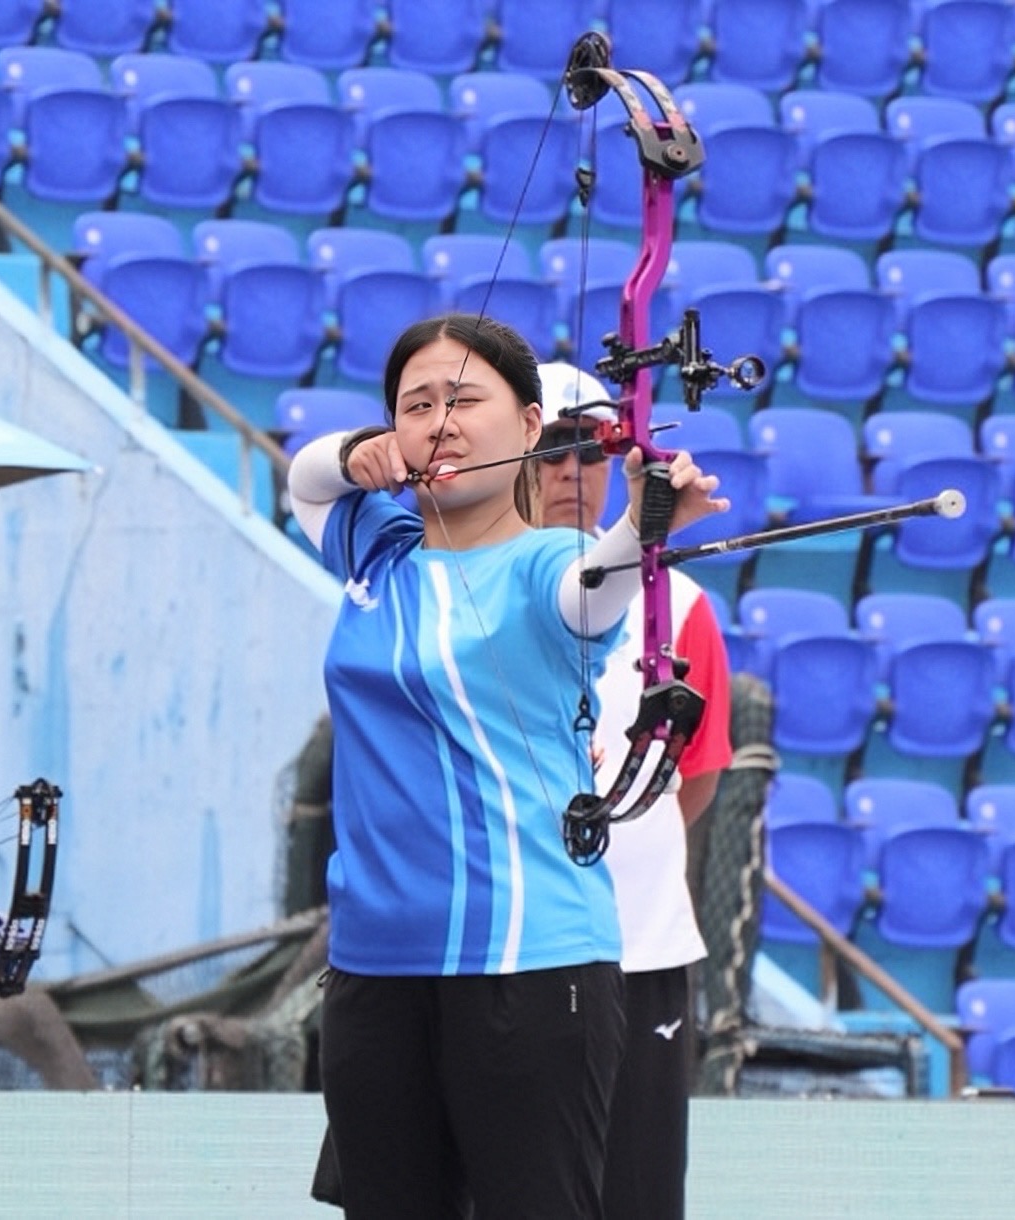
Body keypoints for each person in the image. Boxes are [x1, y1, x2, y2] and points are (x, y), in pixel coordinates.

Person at [288, 313, 726, 1218]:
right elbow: (304, 479)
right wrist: (355, 449)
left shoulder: (547, 564)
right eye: (415, 406)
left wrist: (646, 520)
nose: (439, 422)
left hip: (532, 970)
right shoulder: (375, 549)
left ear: (529, 427)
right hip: (374, 969)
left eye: (465, 400)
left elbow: (593, 590)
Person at [527, 362, 733, 1220]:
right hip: (509, 957)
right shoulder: (458, 590)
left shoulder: (682, 605)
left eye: (598, 449)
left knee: (637, 1195)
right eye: (552, 450)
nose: (575, 472)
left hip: (640, 951)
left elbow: (694, 781)